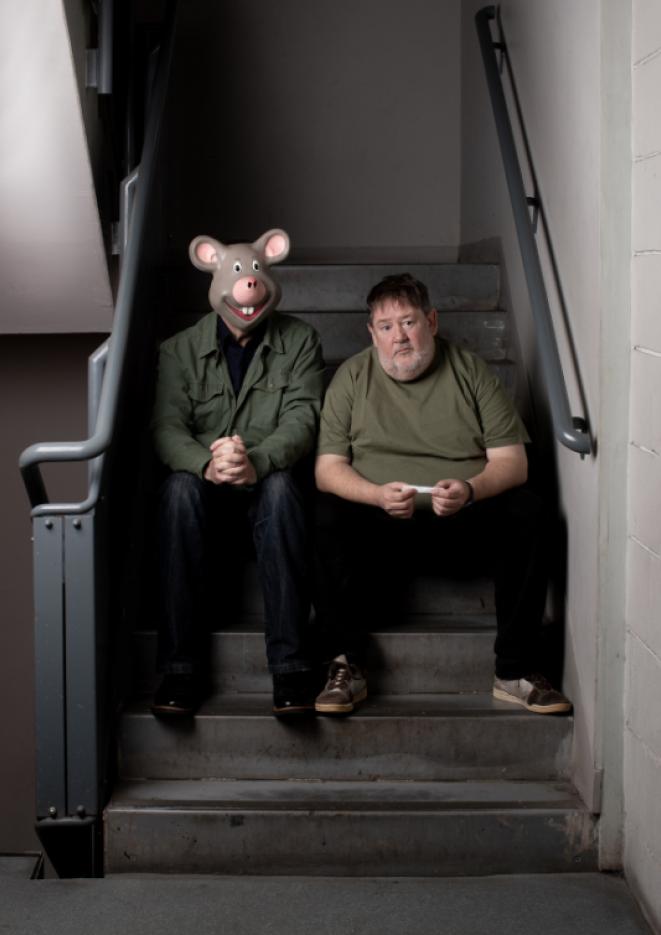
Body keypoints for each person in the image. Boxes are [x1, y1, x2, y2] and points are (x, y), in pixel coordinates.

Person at [313, 272, 571, 717]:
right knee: (323, 512)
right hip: (382, 528)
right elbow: (327, 470)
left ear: (431, 321)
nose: (400, 336)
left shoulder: (470, 370)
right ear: (372, 333)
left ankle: (515, 670)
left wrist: (471, 490)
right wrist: (374, 495)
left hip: (459, 521)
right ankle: (345, 664)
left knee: (530, 510)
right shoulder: (351, 377)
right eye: (387, 326)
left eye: (409, 322)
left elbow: (513, 462)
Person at [150, 229, 324, 718]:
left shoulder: (301, 341)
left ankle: (290, 666)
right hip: (203, 487)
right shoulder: (177, 350)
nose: (248, 286)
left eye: (255, 273)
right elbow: (166, 428)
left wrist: (257, 462)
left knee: (284, 488)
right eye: (237, 275)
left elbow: (303, 418)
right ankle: (179, 670)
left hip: (265, 484)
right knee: (177, 492)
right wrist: (207, 463)